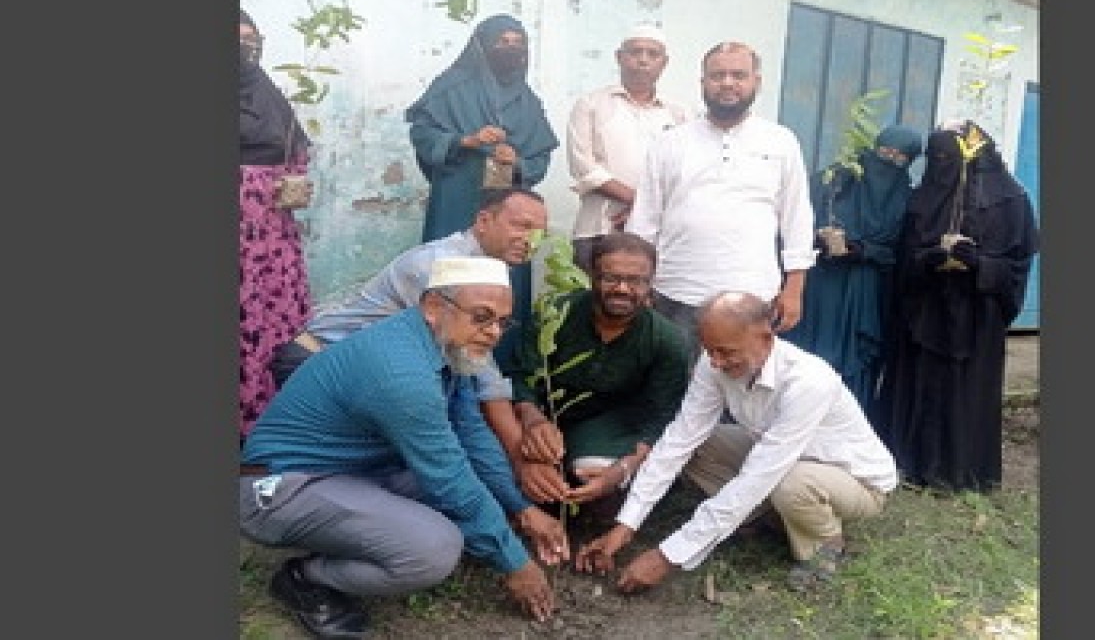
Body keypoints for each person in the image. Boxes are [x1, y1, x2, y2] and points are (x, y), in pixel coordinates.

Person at [240, 256, 566, 638]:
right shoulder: (401, 374)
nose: (493, 332)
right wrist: (515, 564)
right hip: (281, 489)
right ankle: (305, 578)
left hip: (355, 471)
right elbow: (447, 476)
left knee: (472, 488)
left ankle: (367, 535)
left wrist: (520, 507)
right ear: (433, 307)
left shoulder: (445, 344)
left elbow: (471, 434)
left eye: (502, 322)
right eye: (481, 316)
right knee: (433, 551)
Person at [575, 291, 898, 593]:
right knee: (698, 445)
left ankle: (826, 546)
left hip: (856, 483)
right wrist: (624, 526)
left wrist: (667, 556)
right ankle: (761, 517)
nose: (715, 362)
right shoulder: (714, 363)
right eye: (708, 349)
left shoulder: (809, 381)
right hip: (781, 461)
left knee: (791, 483)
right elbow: (680, 440)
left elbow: (761, 473)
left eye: (726, 352)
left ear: (765, 338)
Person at [267, 187, 554, 501]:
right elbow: (483, 374)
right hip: (315, 359)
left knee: (434, 453)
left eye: (539, 233)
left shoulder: (488, 273)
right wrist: (519, 455)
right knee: (360, 471)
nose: (531, 240)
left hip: (366, 370)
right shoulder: (438, 266)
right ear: (484, 221)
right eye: (522, 225)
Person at [624, 41, 815, 364]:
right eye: (717, 75)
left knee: (743, 394)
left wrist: (793, 288)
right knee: (672, 389)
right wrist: (638, 283)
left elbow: (796, 218)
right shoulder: (671, 142)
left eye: (738, 75)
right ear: (703, 83)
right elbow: (644, 221)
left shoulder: (781, 142)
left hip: (752, 295)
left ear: (757, 81)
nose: (727, 83)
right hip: (675, 293)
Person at [876, 120, 1039, 493]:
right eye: (935, 158)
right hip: (923, 311)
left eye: (948, 158)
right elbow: (900, 262)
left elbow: (1017, 268)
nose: (940, 166)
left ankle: (960, 472)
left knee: (964, 393)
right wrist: (925, 260)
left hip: (975, 317)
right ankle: (907, 461)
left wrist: (981, 264)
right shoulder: (921, 198)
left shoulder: (1011, 201)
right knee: (915, 384)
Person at [405, 14, 558, 370]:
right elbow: (423, 135)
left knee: (506, 281)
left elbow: (541, 156)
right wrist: (465, 141)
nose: (510, 50)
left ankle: (498, 373)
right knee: (451, 279)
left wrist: (517, 162)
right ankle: (438, 365)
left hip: (509, 212)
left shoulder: (527, 101)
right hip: (458, 201)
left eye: (517, 43)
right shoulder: (450, 88)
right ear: (481, 46)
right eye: (501, 42)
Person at [506, 232, 690, 511]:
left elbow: (661, 417)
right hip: (542, 418)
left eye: (636, 281)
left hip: (606, 425)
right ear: (592, 276)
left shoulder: (666, 339)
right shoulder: (556, 313)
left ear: (651, 283)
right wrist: (532, 420)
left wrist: (625, 468)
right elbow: (522, 376)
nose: (623, 289)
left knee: (595, 479)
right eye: (610, 278)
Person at [782, 125, 923, 414]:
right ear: (873, 149)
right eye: (884, 153)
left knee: (852, 366)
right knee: (808, 356)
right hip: (821, 286)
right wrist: (820, 239)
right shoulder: (835, 181)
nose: (889, 163)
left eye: (900, 159)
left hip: (865, 293)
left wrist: (865, 251)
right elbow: (794, 222)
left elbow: (904, 253)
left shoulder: (906, 199)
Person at [239, 8, 315, 440]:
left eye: (252, 40)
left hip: (270, 238)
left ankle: (265, 418)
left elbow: (297, 149)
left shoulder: (270, 94)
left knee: (269, 323)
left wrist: (293, 181)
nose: (245, 49)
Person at [565, 24, 692, 272]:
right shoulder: (590, 104)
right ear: (619, 57)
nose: (643, 60)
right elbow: (584, 169)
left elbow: (686, 176)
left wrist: (645, 211)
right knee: (595, 307)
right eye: (635, 52)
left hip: (660, 233)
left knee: (651, 308)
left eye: (652, 54)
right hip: (600, 228)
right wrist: (641, 202)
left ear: (664, 63)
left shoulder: (680, 114)